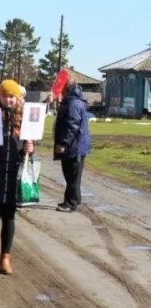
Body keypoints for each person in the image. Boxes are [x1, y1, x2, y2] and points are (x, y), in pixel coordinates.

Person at [0, 79, 34, 275]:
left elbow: (29, 148)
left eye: (12, 97)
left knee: (9, 217)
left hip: (15, 174)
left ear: (17, 97)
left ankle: (5, 256)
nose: (9, 100)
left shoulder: (25, 118)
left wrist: (30, 149)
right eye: (5, 96)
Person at [54, 80, 91, 213]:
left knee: (72, 175)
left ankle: (71, 203)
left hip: (74, 146)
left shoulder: (73, 103)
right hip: (75, 145)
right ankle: (73, 198)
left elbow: (72, 125)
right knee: (71, 175)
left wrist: (63, 143)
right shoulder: (72, 101)